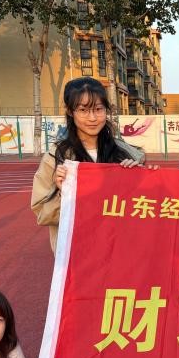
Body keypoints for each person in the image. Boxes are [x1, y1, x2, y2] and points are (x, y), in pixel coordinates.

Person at [31, 77, 147, 253]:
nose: (92, 118)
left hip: (120, 252)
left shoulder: (129, 154)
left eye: (98, 109)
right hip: (78, 256)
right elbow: (43, 213)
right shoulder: (55, 158)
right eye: (83, 110)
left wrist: (142, 177)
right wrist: (64, 193)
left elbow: (143, 208)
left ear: (106, 110)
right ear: (70, 112)